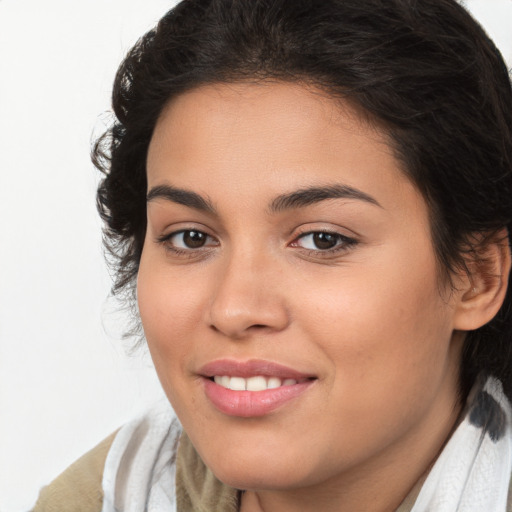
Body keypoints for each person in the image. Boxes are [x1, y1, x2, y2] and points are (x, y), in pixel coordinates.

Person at [32, 0, 512, 510]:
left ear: (478, 276)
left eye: (321, 239)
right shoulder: (95, 498)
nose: (234, 309)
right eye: (190, 237)